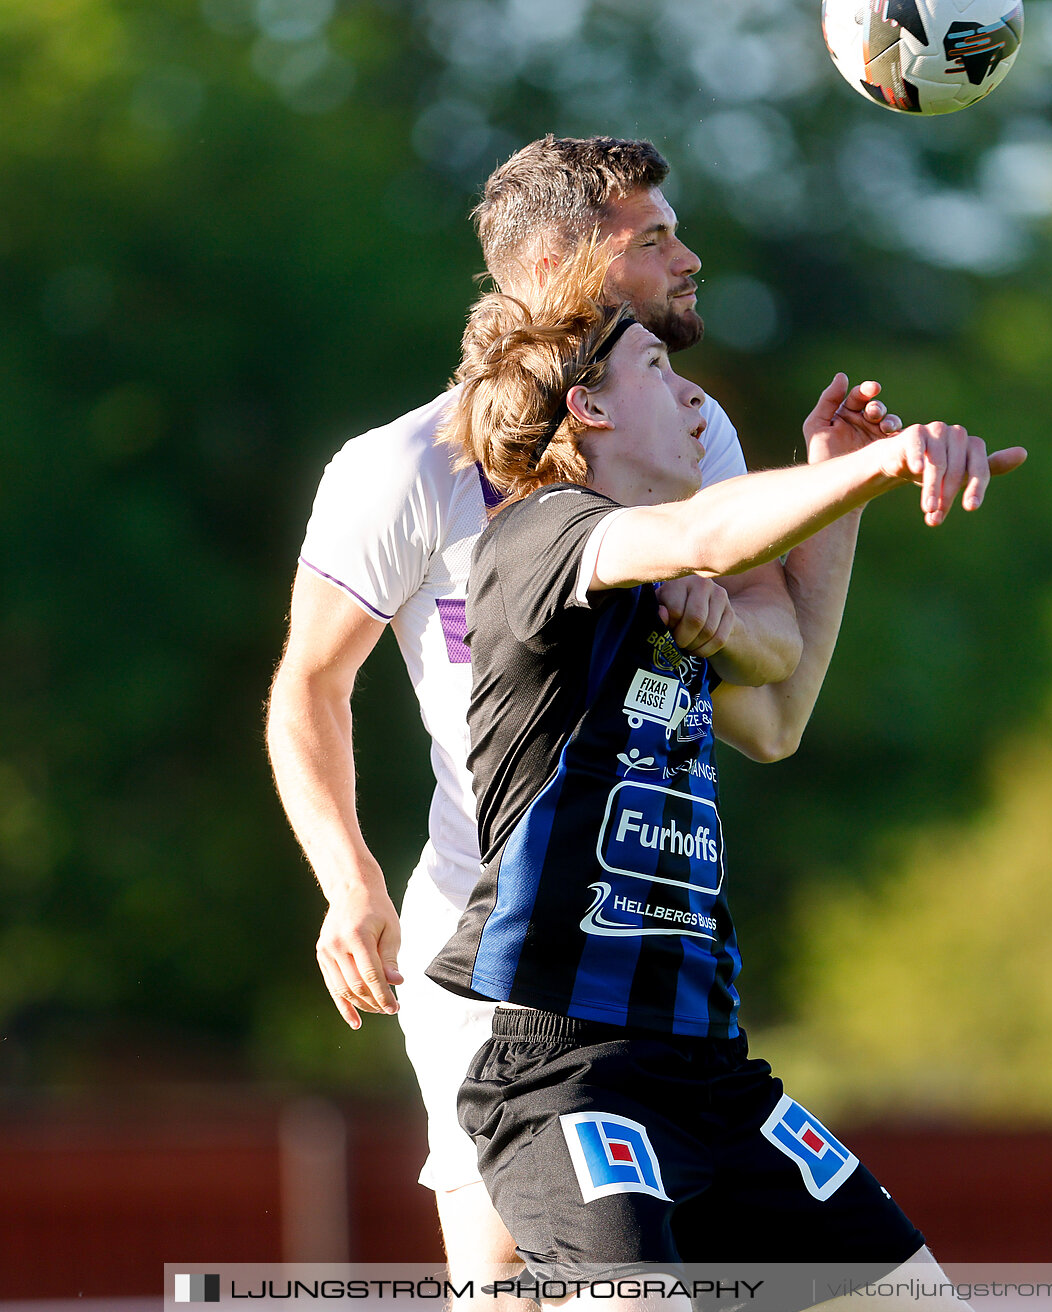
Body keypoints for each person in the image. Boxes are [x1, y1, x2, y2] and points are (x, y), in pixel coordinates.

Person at [265, 136, 909, 1276]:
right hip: (494, 953)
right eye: (653, 240)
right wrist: (350, 884)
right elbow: (310, 685)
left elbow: (769, 716)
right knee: (506, 1280)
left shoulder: (686, 431)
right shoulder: (403, 465)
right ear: (563, 264)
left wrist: (821, 519)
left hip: (652, 975)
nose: (687, 259)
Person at [426, 248, 1024, 1304]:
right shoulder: (537, 532)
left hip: (712, 1074)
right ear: (590, 410)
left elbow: (780, 717)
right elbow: (703, 527)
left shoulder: (667, 582)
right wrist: (882, 465)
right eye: (659, 367)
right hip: (567, 1077)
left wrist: (834, 495)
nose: (693, 392)